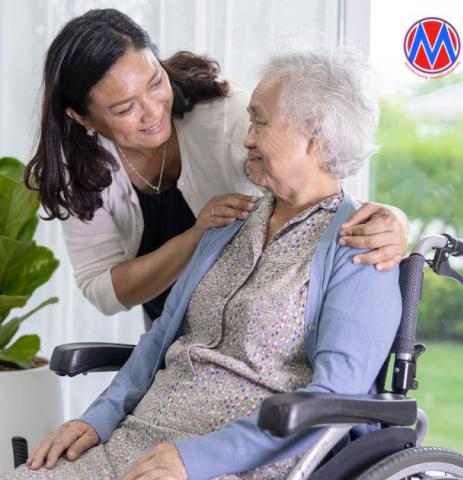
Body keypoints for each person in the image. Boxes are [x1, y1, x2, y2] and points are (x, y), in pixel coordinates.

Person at [10, 47, 402, 480]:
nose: (247, 138)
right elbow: (160, 337)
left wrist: (195, 459)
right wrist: (95, 419)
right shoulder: (228, 223)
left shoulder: (361, 246)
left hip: (240, 461)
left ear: (316, 136)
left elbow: (334, 395)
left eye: (260, 122)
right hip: (139, 440)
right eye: (250, 121)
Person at [25, 9, 407, 329]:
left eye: (156, 82)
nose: (153, 110)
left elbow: (324, 178)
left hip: (252, 327)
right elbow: (104, 290)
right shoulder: (78, 169)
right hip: (177, 339)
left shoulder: (226, 117)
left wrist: (391, 220)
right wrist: (196, 238)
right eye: (125, 109)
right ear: (82, 117)